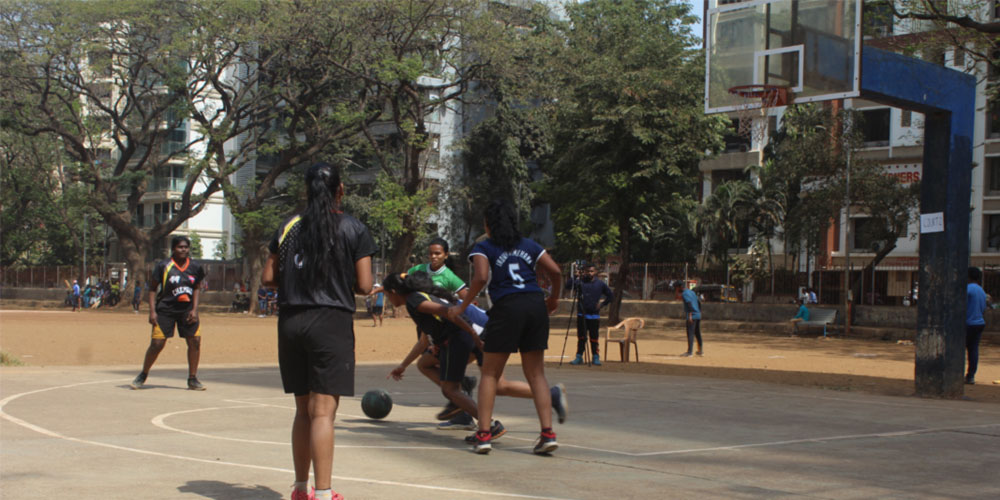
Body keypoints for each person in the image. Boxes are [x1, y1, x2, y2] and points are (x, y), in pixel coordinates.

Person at [261, 162, 376, 500]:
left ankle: (300, 488)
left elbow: (268, 278)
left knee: (302, 410)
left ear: (306, 192)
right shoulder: (353, 228)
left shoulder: (288, 227)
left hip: (291, 321)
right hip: (330, 322)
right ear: (341, 190)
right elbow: (366, 285)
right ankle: (324, 493)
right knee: (323, 412)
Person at [383, 271, 567, 446]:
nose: (388, 299)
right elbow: (424, 340)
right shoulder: (422, 297)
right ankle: (550, 395)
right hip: (484, 330)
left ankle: (486, 423)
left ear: (393, 292)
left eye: (387, 294)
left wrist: (472, 334)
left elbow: (449, 312)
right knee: (496, 385)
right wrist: (403, 366)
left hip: (467, 335)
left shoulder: (414, 300)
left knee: (449, 388)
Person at [447, 198, 564, 455]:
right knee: (536, 374)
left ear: (488, 225)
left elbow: (479, 277)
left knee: (490, 374)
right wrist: (553, 298)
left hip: (507, 306)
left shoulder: (484, 247)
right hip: (534, 304)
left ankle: (484, 435)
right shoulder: (530, 245)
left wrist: (463, 305)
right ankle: (547, 434)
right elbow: (555, 272)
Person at [407, 237, 477, 431]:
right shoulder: (419, 270)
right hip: (430, 328)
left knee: (434, 364)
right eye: (431, 253)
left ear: (445, 255)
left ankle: (462, 399)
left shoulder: (449, 276)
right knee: (434, 363)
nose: (433, 257)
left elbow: (467, 299)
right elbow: (403, 279)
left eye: (437, 253)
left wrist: (458, 311)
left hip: (446, 328)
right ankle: (461, 392)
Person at [130, 235, 207, 391]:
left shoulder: (195, 267)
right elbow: (152, 289)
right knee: (157, 343)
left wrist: (195, 309)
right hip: (165, 310)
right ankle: (143, 374)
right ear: (173, 249)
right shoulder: (163, 266)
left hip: (186, 310)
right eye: (180, 247)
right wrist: (152, 312)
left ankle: (192, 378)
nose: (183, 250)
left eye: (186, 247)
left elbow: (197, 287)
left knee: (195, 341)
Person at [566, 262, 613, 366]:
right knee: (581, 337)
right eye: (587, 271)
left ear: (595, 272)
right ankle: (579, 356)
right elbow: (568, 286)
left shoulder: (600, 284)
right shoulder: (580, 282)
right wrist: (576, 276)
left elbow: (610, 295)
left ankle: (595, 357)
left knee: (594, 337)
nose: (589, 273)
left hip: (594, 315)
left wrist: (602, 304)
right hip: (581, 314)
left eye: (591, 271)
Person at [966, 267, 988, 385]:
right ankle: (971, 376)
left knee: (958, 349)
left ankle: (956, 373)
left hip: (967, 324)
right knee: (973, 350)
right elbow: (983, 309)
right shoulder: (981, 291)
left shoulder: (967, 289)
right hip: (979, 323)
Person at [677, 281, 703, 357]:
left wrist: (690, 315)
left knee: (690, 333)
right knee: (697, 333)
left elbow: (689, 304)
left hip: (692, 315)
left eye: (677, 288)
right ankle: (700, 351)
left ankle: (689, 352)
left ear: (680, 287)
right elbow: (699, 302)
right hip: (698, 314)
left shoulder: (685, 294)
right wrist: (699, 312)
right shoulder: (692, 292)